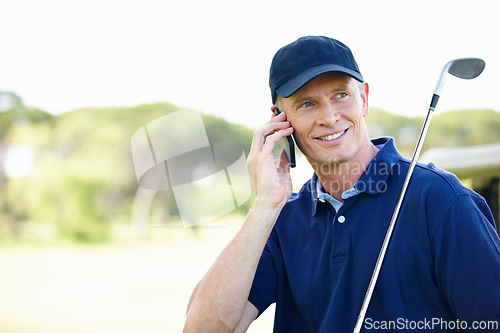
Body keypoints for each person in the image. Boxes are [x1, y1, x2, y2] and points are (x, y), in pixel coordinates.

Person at [183, 36, 500, 332]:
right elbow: (203, 328)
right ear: (279, 119)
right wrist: (265, 204)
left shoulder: (443, 201)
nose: (330, 117)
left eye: (340, 95)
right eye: (307, 104)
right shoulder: (280, 219)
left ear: (363, 98)